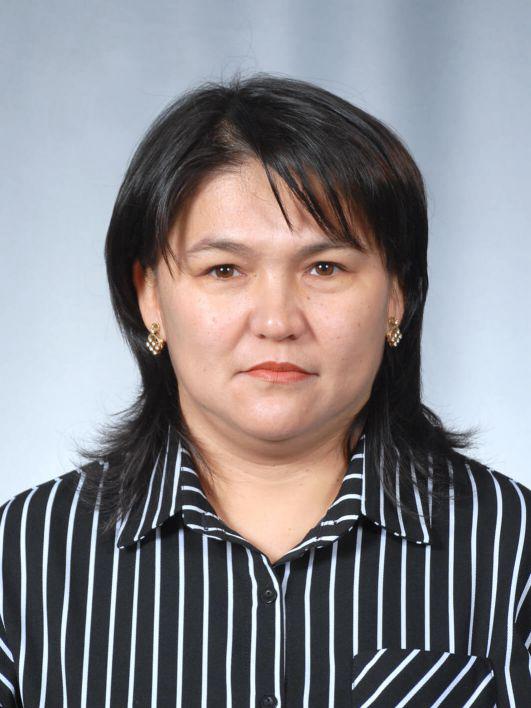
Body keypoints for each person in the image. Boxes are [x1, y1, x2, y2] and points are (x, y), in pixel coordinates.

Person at [0, 73, 529, 708]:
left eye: (325, 267)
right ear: (149, 296)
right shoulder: (21, 557)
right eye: (224, 270)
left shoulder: (514, 549)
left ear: (397, 293)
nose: (277, 321)